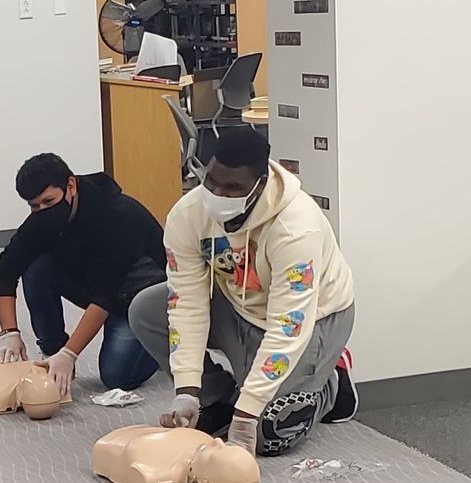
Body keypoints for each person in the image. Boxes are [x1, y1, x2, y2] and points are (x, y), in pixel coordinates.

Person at [129, 125, 356, 456]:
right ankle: (217, 399)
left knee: (269, 436)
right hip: (239, 305)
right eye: (212, 181)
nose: (218, 194)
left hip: (312, 319)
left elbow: (288, 326)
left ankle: (332, 380)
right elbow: (187, 303)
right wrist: (188, 390)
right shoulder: (188, 215)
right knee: (146, 309)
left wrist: (248, 413)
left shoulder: (296, 228)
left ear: (259, 185)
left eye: (233, 188)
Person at [0, 153, 167, 396]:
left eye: (49, 201)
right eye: (34, 205)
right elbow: (5, 272)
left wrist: (70, 354)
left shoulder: (117, 215)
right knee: (36, 268)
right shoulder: (41, 219)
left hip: (139, 301)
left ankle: (163, 340)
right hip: (98, 286)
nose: (42, 210)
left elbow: (105, 295)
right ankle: (52, 352)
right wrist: (9, 333)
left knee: (118, 377)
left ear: (70, 186)